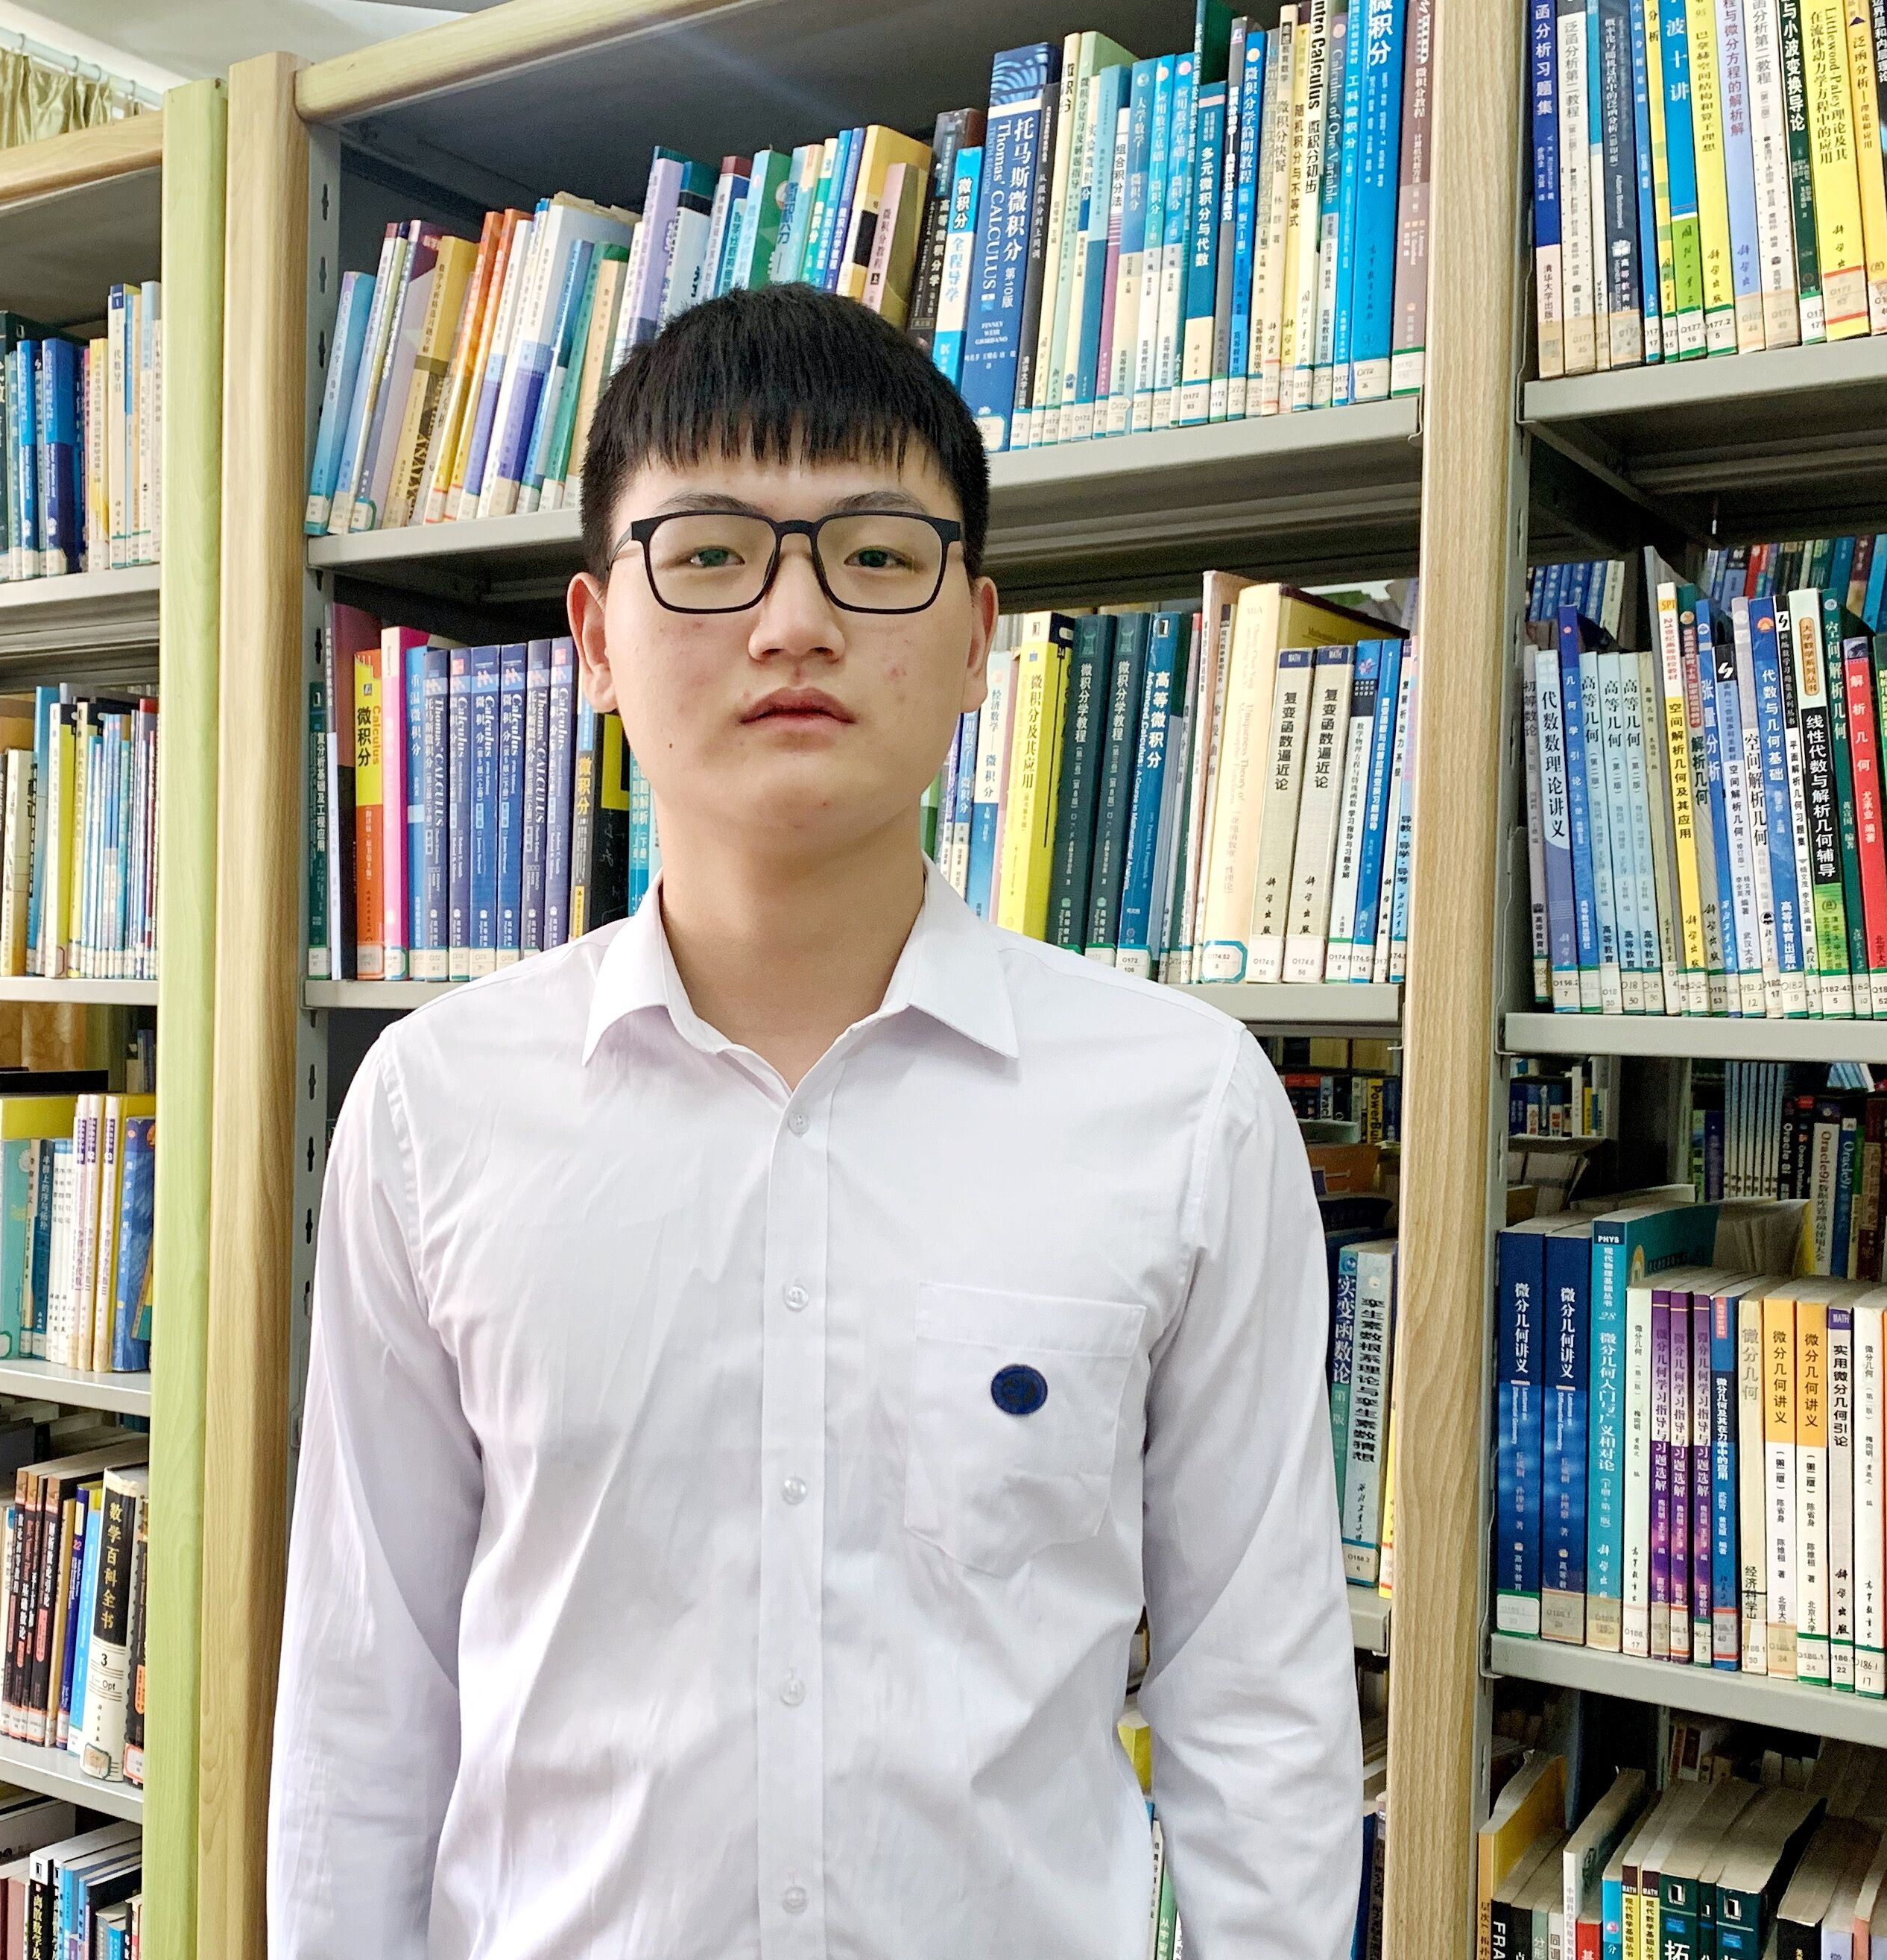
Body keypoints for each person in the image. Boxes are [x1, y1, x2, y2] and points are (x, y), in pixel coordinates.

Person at [268, 282, 1362, 1959]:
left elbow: (1256, 1692)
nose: (793, 622)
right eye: (709, 553)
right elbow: (368, 1696)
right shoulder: (431, 1109)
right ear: (594, 637)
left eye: (872, 554)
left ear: (977, 636)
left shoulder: (1185, 1108)